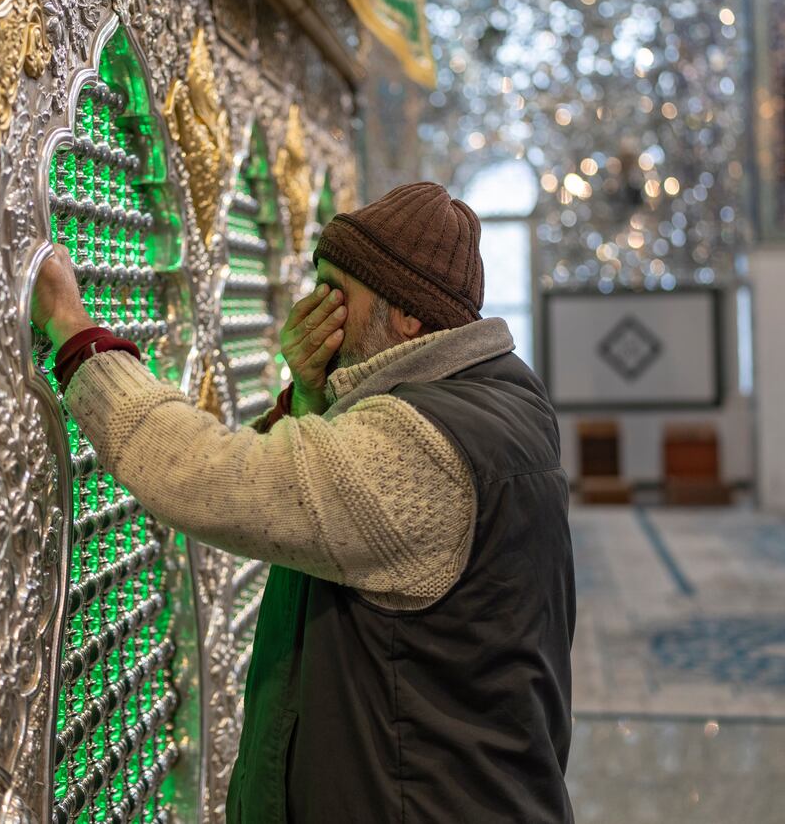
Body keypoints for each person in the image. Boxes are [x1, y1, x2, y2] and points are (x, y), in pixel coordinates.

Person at [30, 182, 575, 824]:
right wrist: (315, 399)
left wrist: (73, 331)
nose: (317, 311)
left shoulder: (423, 447)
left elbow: (204, 478)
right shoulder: (495, 402)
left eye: (335, 290)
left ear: (408, 316)